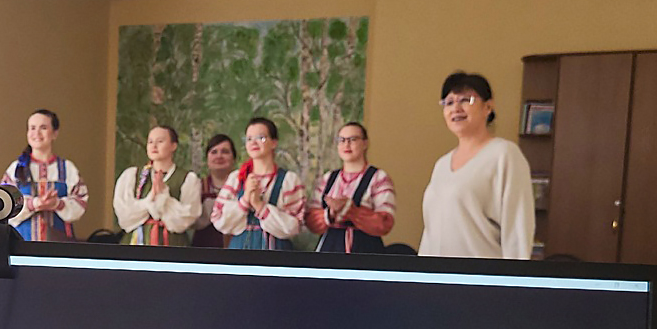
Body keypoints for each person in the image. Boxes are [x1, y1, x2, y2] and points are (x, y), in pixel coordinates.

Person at [418, 71, 535, 259]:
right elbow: (430, 232)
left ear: (488, 107)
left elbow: (517, 229)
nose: (456, 108)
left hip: (483, 273)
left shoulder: (504, 155)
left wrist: (514, 275)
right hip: (437, 274)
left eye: (466, 100)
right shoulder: (441, 165)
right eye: (449, 102)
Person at [211, 117, 304, 250]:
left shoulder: (289, 180)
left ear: (274, 142)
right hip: (239, 253)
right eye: (249, 139)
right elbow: (217, 218)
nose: (253, 143)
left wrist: (259, 206)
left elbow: (295, 225)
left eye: (261, 138)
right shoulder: (236, 178)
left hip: (277, 255)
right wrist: (244, 201)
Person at [306, 122, 396, 254]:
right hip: (330, 248)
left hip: (365, 251)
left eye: (353, 139)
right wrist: (330, 214)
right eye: (341, 140)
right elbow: (311, 220)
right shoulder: (328, 178)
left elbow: (385, 222)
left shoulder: (379, 178)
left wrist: (350, 210)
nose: (346, 145)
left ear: (365, 144)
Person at [0, 110, 88, 241]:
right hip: (21, 244)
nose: (37, 133)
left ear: (55, 133)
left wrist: (57, 204)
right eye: (32, 128)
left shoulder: (67, 168)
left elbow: (81, 202)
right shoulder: (16, 169)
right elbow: (4, 206)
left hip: (59, 246)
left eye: (43, 128)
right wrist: (34, 204)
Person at [113, 125, 201, 246]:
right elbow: (124, 215)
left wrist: (164, 198)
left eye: (160, 141)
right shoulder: (132, 175)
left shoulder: (187, 179)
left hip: (173, 245)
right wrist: (148, 201)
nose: (154, 146)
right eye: (150, 142)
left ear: (173, 146)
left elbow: (187, 216)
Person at [191, 134, 236, 248]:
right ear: (207, 160)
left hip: (237, 248)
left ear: (234, 159)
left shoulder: (242, 187)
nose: (219, 156)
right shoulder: (197, 186)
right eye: (214, 152)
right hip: (203, 250)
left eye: (225, 152)